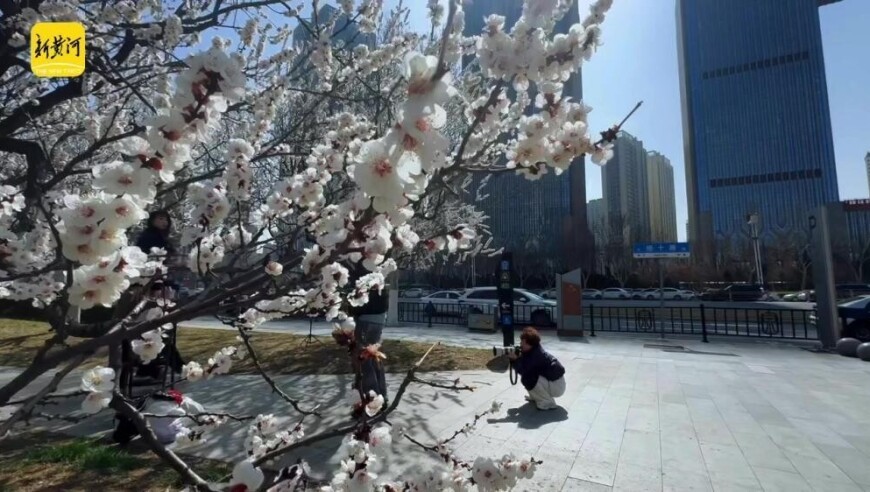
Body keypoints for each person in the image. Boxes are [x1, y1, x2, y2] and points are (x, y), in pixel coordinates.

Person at [508, 327, 566, 410]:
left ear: (529, 344)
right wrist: (516, 359)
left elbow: (523, 370)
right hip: (552, 383)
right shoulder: (533, 350)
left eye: (522, 342)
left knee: (529, 379)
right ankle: (536, 397)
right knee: (529, 377)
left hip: (557, 387)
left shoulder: (536, 355)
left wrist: (515, 360)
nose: (520, 344)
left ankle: (547, 402)